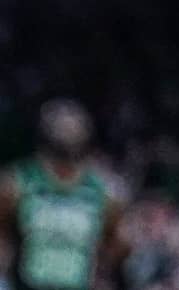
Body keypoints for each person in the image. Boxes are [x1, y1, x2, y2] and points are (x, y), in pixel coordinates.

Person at [0, 101, 124, 290]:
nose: (67, 132)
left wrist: (100, 272)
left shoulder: (104, 190)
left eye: (73, 127)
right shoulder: (18, 182)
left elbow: (115, 243)